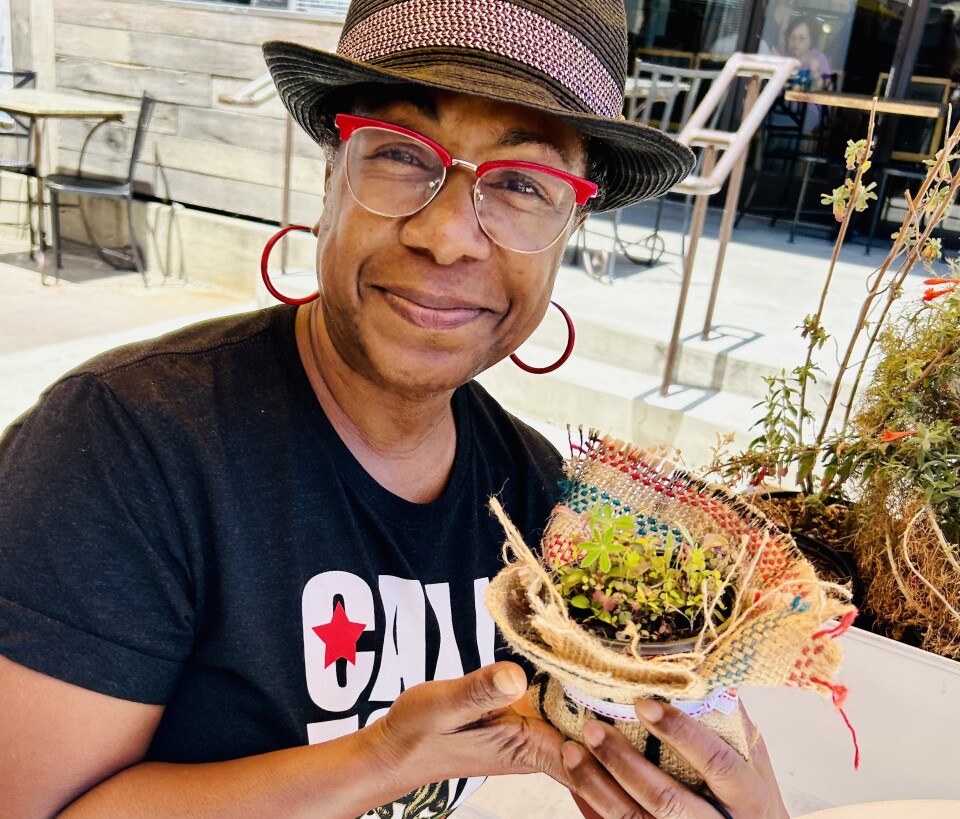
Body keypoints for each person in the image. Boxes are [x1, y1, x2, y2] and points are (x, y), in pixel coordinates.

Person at [0, 1, 789, 816]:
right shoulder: (125, 448)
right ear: (330, 176)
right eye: (403, 155)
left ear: (569, 231)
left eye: (523, 183)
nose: (448, 235)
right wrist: (378, 759)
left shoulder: (535, 501)